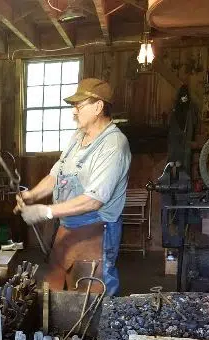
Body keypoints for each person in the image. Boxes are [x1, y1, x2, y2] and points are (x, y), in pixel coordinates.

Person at [16, 78, 131, 296]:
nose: (74, 112)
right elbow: (56, 175)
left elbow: (94, 200)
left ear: (98, 107)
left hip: (97, 229)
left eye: (79, 106)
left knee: (95, 291)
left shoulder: (113, 144)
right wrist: (31, 195)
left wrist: (46, 211)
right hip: (68, 227)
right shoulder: (77, 137)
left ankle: (102, 327)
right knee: (62, 288)